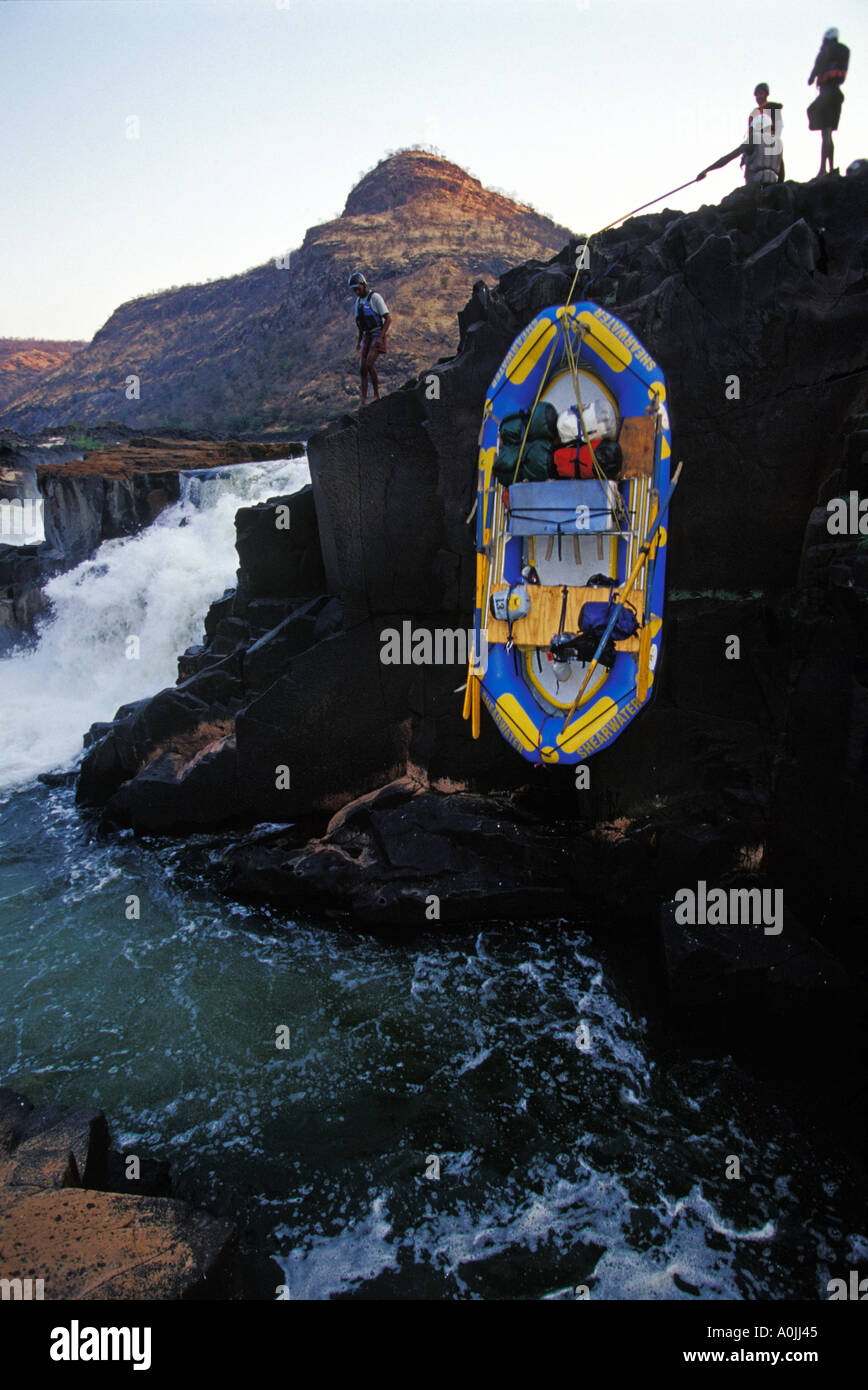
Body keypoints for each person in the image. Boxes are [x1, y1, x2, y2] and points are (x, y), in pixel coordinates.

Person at [697, 83, 784, 187]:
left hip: (757, 187)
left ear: (766, 95)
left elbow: (728, 157)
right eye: (757, 95)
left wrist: (707, 170)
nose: (758, 97)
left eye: (761, 94)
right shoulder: (756, 117)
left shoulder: (772, 111)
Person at [808, 28, 850, 177]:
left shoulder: (825, 52)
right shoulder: (842, 51)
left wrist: (814, 76)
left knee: (825, 133)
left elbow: (811, 79)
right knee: (828, 132)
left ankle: (822, 169)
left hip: (827, 94)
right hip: (836, 95)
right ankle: (831, 168)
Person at [348, 271, 391, 405]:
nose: (356, 292)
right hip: (366, 335)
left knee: (369, 364)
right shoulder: (359, 302)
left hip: (377, 333)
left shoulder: (375, 298)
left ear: (363, 285)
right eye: (354, 290)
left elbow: (388, 319)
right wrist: (359, 342)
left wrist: (380, 338)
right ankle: (364, 400)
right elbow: (360, 324)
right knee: (362, 368)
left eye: (358, 288)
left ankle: (377, 395)